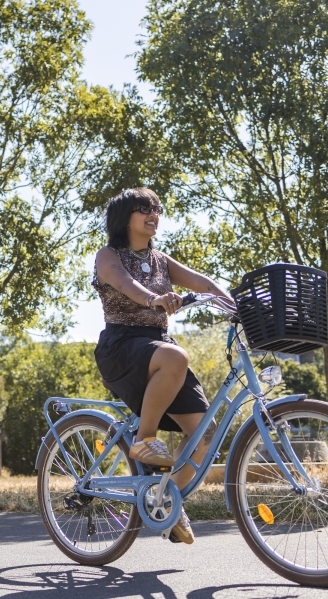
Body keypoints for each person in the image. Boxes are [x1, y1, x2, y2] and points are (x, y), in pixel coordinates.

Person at [92, 187, 233, 545]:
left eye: (157, 208)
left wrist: (237, 307)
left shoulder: (161, 259)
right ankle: (144, 439)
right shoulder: (108, 255)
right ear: (125, 218)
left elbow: (204, 283)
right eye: (145, 209)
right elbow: (125, 284)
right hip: (122, 346)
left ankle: (166, 499)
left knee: (206, 434)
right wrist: (154, 298)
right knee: (176, 356)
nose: (154, 214)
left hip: (159, 350)